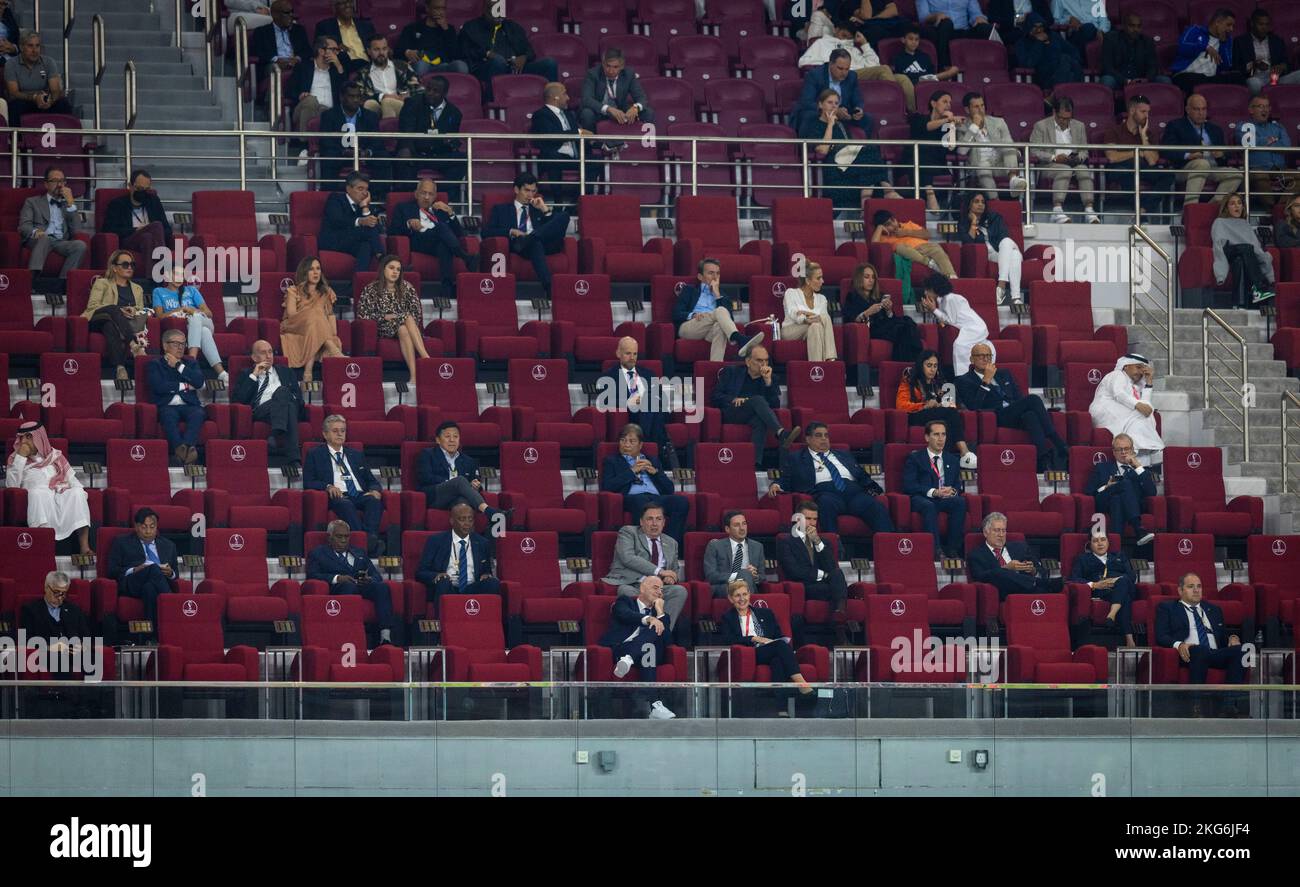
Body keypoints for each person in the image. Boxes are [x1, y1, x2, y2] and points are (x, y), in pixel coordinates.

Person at [957, 341, 1068, 471]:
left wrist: (1019, 408)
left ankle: (1041, 461)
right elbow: (974, 406)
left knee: (1030, 415)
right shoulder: (964, 380)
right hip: (996, 416)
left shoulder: (1004, 374)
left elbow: (1018, 397)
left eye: (988, 355)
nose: (985, 359)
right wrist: (985, 381)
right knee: (1033, 399)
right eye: (981, 356)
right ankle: (1059, 445)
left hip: (1014, 412)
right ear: (972, 359)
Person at [769, 421, 894, 534]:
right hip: (827, 494)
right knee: (825, 503)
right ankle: (833, 546)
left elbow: (861, 475)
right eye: (818, 435)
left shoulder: (843, 454)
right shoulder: (796, 458)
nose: (824, 439)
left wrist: (878, 491)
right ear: (808, 439)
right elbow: (786, 478)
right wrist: (777, 485)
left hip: (854, 494)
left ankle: (889, 547)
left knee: (876, 506)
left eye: (826, 435)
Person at [600, 506, 689, 643]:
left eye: (659, 519)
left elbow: (674, 569)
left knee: (679, 591)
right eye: (650, 519)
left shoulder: (671, 543)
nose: (654, 523)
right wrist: (660, 571)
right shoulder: (628, 532)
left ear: (664, 522)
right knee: (625, 591)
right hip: (631, 583)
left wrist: (671, 577)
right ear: (641, 522)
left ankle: (660, 634)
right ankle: (636, 634)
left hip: (658, 588)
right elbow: (628, 558)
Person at [799, 89, 897, 213]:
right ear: (820, 104)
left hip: (851, 164)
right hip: (833, 165)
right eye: (830, 102)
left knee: (870, 149)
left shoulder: (841, 125)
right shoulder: (814, 125)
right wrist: (830, 124)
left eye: (836, 103)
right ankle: (887, 189)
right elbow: (823, 150)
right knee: (868, 158)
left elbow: (850, 146)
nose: (833, 106)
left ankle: (867, 196)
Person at [720, 579, 819, 698]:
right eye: (737, 596)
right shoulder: (727, 617)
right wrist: (753, 638)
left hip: (770, 649)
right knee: (780, 646)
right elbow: (728, 639)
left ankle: (781, 710)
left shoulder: (765, 613)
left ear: (749, 594)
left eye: (745, 594)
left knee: (777, 661)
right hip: (750, 653)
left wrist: (775, 641)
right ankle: (802, 685)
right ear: (730, 599)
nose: (742, 599)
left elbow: (778, 635)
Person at [6, 421, 92, 555]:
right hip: (39, 497)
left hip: (59, 493)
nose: (25, 441)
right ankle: (43, 546)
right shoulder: (15, 459)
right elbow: (11, 487)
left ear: (39, 438)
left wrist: (80, 492)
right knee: (37, 493)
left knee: (77, 493)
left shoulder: (55, 456)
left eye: (29, 437)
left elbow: (73, 480)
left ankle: (84, 547)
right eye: (23, 437)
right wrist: (21, 457)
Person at [304, 415, 385, 555]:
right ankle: (366, 542)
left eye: (343, 430)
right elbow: (308, 482)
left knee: (374, 501)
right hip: (338, 495)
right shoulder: (315, 454)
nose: (340, 434)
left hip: (359, 494)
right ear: (325, 434)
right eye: (335, 431)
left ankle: (370, 539)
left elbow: (372, 480)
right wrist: (328, 486)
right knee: (345, 504)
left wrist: (375, 490)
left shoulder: (356, 454)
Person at [599, 575, 677, 719]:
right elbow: (624, 614)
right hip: (622, 648)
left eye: (661, 589)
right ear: (642, 588)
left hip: (642, 654)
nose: (660, 592)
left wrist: (660, 612)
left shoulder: (661, 616)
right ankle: (655, 706)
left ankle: (629, 659)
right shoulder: (625, 601)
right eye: (655, 587)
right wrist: (648, 619)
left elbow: (667, 641)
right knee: (649, 649)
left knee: (651, 643)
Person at [307, 519, 395, 644]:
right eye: (339, 537)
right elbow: (312, 575)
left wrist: (369, 579)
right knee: (349, 587)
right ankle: (351, 634)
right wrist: (337, 578)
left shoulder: (359, 552)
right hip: (339, 588)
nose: (344, 540)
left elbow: (376, 575)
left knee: (382, 588)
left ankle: (385, 637)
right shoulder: (318, 553)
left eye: (346, 536)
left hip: (361, 585)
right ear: (329, 537)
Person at [481, 172, 570, 295]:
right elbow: (486, 232)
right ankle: (550, 288)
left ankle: (531, 237)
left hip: (544, 243)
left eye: (533, 191)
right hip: (521, 245)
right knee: (535, 244)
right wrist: (511, 231)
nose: (530, 195)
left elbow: (553, 229)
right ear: (516, 189)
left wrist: (545, 210)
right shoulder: (500, 209)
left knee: (564, 216)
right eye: (527, 190)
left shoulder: (537, 209)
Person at [1155, 572, 1248, 689]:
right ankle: (1196, 704)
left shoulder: (1214, 610)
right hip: (1189, 654)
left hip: (1214, 653)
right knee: (1200, 650)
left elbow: (1222, 636)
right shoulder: (1167, 608)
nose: (1196, 590)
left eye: (1199, 586)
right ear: (1180, 590)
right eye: (1190, 587)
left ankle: (1230, 702)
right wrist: (1179, 645)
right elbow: (1161, 635)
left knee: (1246, 649)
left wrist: (1232, 638)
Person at [600, 422, 688, 545]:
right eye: (623, 440)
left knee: (681, 502)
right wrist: (632, 471)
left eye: (631, 441)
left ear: (640, 445)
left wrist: (655, 473)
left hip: (656, 498)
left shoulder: (652, 460)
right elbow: (607, 486)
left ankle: (668, 545)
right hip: (632, 498)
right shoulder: (612, 461)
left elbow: (669, 489)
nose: (626, 445)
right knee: (641, 501)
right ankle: (646, 546)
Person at [712, 346, 801, 467]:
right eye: (759, 360)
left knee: (760, 421)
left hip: (754, 415)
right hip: (733, 412)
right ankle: (781, 433)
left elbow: (775, 405)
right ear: (748, 362)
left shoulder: (771, 379)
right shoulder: (732, 372)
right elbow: (716, 396)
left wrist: (768, 382)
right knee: (758, 399)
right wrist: (733, 399)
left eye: (766, 360)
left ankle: (754, 464)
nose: (763, 364)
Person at [799, 19, 916, 111]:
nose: (844, 39)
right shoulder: (822, 43)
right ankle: (895, 106)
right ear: (835, 30)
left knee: (903, 79)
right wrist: (829, 66)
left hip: (861, 73)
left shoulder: (853, 48)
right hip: (845, 73)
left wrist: (864, 44)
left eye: (849, 37)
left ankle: (911, 111)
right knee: (884, 69)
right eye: (843, 34)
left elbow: (874, 64)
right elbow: (803, 61)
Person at [598, 336, 676, 468]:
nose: (632, 357)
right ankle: (659, 452)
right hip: (630, 414)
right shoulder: (608, 376)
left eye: (635, 354)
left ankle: (643, 441)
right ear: (618, 353)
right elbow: (605, 400)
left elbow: (661, 397)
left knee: (652, 402)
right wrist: (630, 401)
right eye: (628, 353)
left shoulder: (649, 374)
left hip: (653, 411)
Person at [459, 0, 557, 102]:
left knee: (549, 63)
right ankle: (495, 105)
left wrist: (524, 58)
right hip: (487, 67)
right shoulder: (471, 27)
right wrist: (487, 53)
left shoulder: (512, 26)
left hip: (516, 67)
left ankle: (554, 105)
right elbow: (464, 52)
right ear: (485, 10)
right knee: (498, 61)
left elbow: (530, 51)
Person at [777, 499, 852, 632]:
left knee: (837, 574)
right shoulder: (786, 542)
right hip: (803, 586)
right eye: (808, 518)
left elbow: (831, 567)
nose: (812, 523)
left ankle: (839, 614)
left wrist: (817, 542)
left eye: (815, 519)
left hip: (823, 585)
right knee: (839, 589)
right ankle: (840, 620)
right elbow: (794, 571)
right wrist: (823, 575)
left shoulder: (824, 542)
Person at [355, 253, 430, 382]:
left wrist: (397, 317)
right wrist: (384, 317)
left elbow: (416, 314)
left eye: (398, 269)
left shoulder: (407, 288)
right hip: (382, 327)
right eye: (391, 268)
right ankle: (426, 359)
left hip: (406, 326)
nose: (395, 272)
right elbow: (363, 315)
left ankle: (413, 376)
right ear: (383, 268)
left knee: (403, 329)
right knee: (406, 317)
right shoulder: (371, 289)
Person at [895, 349, 977, 466]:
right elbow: (901, 405)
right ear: (921, 365)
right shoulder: (910, 381)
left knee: (948, 419)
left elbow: (951, 403)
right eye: (929, 365)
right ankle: (964, 452)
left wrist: (943, 403)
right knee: (950, 413)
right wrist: (924, 405)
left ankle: (945, 460)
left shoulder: (938, 383)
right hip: (916, 415)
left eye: (935, 366)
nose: (932, 369)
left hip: (935, 416)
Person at [673, 257, 764, 362]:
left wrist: (717, 294)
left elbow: (729, 320)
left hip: (710, 328)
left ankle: (715, 368)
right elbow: (676, 313)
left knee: (720, 328)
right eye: (711, 273)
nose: (715, 277)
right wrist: (693, 315)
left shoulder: (723, 296)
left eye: (717, 273)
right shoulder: (689, 290)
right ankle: (739, 338)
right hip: (690, 326)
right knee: (720, 311)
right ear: (700, 276)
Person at [230, 339, 303, 468]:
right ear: (254, 357)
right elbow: (238, 400)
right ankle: (294, 459)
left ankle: (276, 434)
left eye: (270, 352)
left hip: (285, 406)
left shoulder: (287, 372)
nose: (269, 356)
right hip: (261, 409)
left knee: (287, 400)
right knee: (285, 398)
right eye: (264, 353)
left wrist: (285, 396)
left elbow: (299, 399)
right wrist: (254, 375)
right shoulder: (246, 374)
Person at [901, 419, 969, 557]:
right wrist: (934, 492)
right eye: (936, 434)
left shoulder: (952, 460)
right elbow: (909, 485)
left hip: (944, 498)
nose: (940, 439)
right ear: (927, 437)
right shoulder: (915, 458)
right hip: (923, 497)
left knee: (960, 502)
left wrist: (953, 491)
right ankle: (936, 550)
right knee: (929, 506)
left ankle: (952, 549)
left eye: (943, 435)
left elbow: (957, 485)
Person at [415, 420, 505, 522]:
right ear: (438, 440)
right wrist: (451, 482)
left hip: (458, 497)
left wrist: (476, 485)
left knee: (463, 505)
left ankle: (468, 536)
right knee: (460, 480)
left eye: (455, 436)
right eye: (447, 436)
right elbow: (425, 477)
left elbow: (475, 486)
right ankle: (489, 511)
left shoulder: (468, 461)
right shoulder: (428, 454)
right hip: (435, 496)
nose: (452, 440)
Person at [1162, 93, 1242, 207]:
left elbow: (1226, 156)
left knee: (1236, 174)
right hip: (1184, 168)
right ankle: (1190, 209)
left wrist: (1221, 155)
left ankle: (1211, 208)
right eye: (1196, 109)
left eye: (1204, 109)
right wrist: (1187, 155)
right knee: (1201, 164)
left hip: (1212, 167)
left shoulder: (1215, 129)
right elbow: (1166, 150)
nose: (1201, 113)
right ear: (1187, 109)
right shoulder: (1175, 125)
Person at [152, 266, 228, 384]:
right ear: (167, 276)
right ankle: (221, 373)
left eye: (181, 275)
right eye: (175, 274)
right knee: (204, 333)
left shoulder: (191, 290)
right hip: (190, 328)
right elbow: (159, 316)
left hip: (205, 321)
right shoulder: (158, 292)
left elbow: (209, 313)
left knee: (196, 317)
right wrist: (181, 309)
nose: (179, 278)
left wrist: (192, 311)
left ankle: (191, 360)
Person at [415, 501, 501, 605]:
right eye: (462, 519)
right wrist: (437, 575)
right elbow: (421, 572)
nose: (467, 524)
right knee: (444, 582)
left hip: (472, 588)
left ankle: (488, 621)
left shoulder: (482, 543)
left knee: (493, 583)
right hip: (447, 586)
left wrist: (486, 575)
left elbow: (486, 572)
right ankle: (442, 619)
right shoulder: (436, 541)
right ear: (452, 521)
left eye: (470, 519)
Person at [1029, 97, 1099, 225]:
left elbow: (1085, 151)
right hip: (1049, 165)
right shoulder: (1041, 126)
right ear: (1054, 113)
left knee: (1084, 170)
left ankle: (1089, 210)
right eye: (1062, 118)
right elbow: (1033, 151)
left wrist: (1078, 157)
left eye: (1068, 118)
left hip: (1073, 163)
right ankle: (1057, 210)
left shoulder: (1079, 126)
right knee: (1064, 169)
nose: (1065, 121)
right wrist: (1053, 158)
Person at [1103, 94, 1175, 218]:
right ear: (1132, 111)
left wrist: (1143, 137)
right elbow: (1112, 157)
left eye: (1148, 112)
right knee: (1126, 173)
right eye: (1143, 111)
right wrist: (1137, 152)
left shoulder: (1149, 134)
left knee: (1168, 175)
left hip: (1143, 168)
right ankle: (1141, 214)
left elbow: (1152, 161)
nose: (1146, 115)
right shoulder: (1114, 131)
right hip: (1121, 169)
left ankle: (1142, 210)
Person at [395, 75, 466, 200]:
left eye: (435, 91)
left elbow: (454, 137)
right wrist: (406, 148)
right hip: (416, 153)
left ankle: (443, 198)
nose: (430, 93)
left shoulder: (454, 113)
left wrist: (451, 143)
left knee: (462, 160)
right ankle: (407, 201)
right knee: (402, 157)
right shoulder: (413, 103)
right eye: (428, 89)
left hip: (439, 155)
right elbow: (406, 130)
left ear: (444, 93)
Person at [529, 81, 601, 203]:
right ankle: (558, 202)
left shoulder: (569, 115)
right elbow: (551, 136)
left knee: (595, 160)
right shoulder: (541, 115)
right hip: (554, 157)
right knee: (553, 157)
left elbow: (577, 136)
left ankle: (577, 202)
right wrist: (579, 133)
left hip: (574, 157)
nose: (568, 98)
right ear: (555, 97)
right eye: (565, 94)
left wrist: (595, 141)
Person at [82, 250, 148, 382]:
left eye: (132, 265)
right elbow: (92, 306)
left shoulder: (137, 289)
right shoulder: (102, 283)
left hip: (120, 324)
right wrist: (117, 310)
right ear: (114, 268)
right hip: (98, 318)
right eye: (125, 264)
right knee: (113, 310)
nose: (129, 267)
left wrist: (133, 310)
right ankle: (133, 345)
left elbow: (140, 309)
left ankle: (120, 367)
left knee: (110, 327)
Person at [106, 508, 179, 623]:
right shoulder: (121, 542)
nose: (148, 531)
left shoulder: (169, 545)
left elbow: (176, 574)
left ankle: (151, 638)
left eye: (152, 527)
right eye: (144, 527)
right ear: (136, 526)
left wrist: (171, 573)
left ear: (157, 527)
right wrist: (135, 569)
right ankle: (172, 604)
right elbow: (112, 571)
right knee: (154, 568)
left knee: (149, 589)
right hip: (132, 583)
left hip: (155, 584)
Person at [280, 256, 344, 384]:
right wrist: (310, 313)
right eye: (311, 269)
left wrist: (332, 335)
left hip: (316, 329)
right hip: (294, 325)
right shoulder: (293, 290)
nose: (316, 272)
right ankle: (332, 350)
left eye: (318, 269)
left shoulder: (326, 292)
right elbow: (292, 315)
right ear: (304, 272)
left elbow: (330, 317)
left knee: (316, 322)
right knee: (316, 312)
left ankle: (308, 369)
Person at [1089, 353, 1164, 462]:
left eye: (1143, 370)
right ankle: (1142, 450)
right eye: (1138, 367)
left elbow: (1146, 406)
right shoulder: (1117, 375)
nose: (1140, 372)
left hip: (1121, 411)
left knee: (1145, 414)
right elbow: (1118, 393)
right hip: (1104, 409)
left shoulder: (1134, 386)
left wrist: (1149, 382)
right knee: (1138, 416)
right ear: (1126, 366)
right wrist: (1137, 405)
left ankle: (1140, 455)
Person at [842, 262, 923, 363]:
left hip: (885, 326)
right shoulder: (852, 297)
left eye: (873, 277)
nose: (871, 280)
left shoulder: (880, 296)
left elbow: (890, 318)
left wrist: (889, 310)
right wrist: (867, 312)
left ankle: (909, 362)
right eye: (867, 277)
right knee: (903, 328)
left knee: (907, 322)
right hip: (870, 329)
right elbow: (850, 318)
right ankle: (917, 360)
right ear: (859, 279)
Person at [1085, 433, 1156, 546]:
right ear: (1113, 452)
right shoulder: (1102, 467)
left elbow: (1152, 492)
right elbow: (1089, 492)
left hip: (1126, 505)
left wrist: (1137, 465)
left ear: (1132, 450)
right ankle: (1138, 529)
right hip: (1104, 502)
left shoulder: (1140, 471)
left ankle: (1116, 548)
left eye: (1126, 449)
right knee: (1125, 484)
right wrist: (1106, 487)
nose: (1123, 452)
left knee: (1117, 500)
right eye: (1119, 449)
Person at [149, 329, 208, 466]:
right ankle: (185, 452)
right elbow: (159, 386)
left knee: (199, 413)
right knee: (168, 416)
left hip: (190, 405)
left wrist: (178, 365)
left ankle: (184, 448)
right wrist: (186, 386)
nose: (181, 347)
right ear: (165, 345)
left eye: (183, 344)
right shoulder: (155, 364)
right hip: (166, 405)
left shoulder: (190, 363)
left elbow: (199, 382)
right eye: (176, 344)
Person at [1068, 532, 1137, 647]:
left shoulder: (1119, 556)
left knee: (1123, 582)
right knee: (1126, 597)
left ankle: (1112, 614)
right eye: (1096, 541)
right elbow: (1074, 578)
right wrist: (1094, 585)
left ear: (1108, 542)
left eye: (1103, 540)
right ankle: (1129, 638)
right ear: (1090, 544)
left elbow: (1132, 576)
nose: (1100, 543)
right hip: (1103, 591)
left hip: (1123, 586)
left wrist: (1116, 580)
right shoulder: (1082, 559)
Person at [967, 512, 1056, 598]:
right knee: (999, 573)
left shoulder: (1020, 548)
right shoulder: (976, 555)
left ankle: (1036, 584)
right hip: (1005, 592)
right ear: (985, 533)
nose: (1001, 535)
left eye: (1003, 530)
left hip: (1029, 592)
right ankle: (1037, 583)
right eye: (997, 530)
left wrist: (1033, 571)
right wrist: (1006, 568)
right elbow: (980, 577)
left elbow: (1042, 572)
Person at [957, 190, 1024, 306]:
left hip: (1003, 249)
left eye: (983, 202)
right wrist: (973, 223)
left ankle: (1001, 285)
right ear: (969, 204)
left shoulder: (994, 218)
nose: (980, 204)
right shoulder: (964, 222)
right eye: (976, 202)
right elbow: (968, 242)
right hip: (993, 256)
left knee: (1007, 242)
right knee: (1015, 256)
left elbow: (1004, 237)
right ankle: (1016, 298)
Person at [318, 82, 387, 194]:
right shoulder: (329, 115)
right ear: (342, 97)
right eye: (351, 96)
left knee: (383, 157)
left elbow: (376, 141)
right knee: (329, 157)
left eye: (358, 97)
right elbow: (326, 142)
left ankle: (378, 198)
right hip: (339, 155)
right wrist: (344, 152)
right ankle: (330, 197)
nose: (355, 100)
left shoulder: (370, 116)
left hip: (363, 155)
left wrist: (367, 152)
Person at [18, 167, 86, 279]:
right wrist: (37, 232)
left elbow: (77, 231)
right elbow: (24, 226)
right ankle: (32, 280)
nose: (59, 185)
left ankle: (63, 283)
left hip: (60, 242)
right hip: (39, 239)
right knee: (45, 238)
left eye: (62, 181)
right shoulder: (32, 202)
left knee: (80, 245)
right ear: (46, 184)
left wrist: (71, 204)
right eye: (55, 181)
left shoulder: (67, 206)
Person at [957, 92, 1027, 200]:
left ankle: (1013, 179)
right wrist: (974, 126)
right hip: (979, 165)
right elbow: (962, 151)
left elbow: (1009, 142)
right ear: (967, 110)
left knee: (1009, 148)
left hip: (1001, 164)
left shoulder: (999, 122)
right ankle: (996, 203)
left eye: (982, 105)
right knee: (983, 167)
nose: (981, 109)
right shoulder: (962, 126)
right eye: (976, 107)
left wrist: (1014, 152)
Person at [1212, 192, 1275, 306]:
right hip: (1229, 251)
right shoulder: (1220, 222)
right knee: (1246, 248)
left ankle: (1239, 303)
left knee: (1240, 260)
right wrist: (1221, 272)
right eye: (1232, 204)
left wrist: (1264, 258)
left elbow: (1255, 246)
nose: (1237, 206)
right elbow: (1218, 246)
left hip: (1245, 254)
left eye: (1239, 203)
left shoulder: (1245, 224)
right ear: (1226, 207)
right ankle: (1260, 288)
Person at [918, 273, 988, 373]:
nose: (925, 293)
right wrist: (933, 310)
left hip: (974, 328)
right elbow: (943, 321)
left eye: (928, 290)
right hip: (966, 328)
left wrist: (934, 309)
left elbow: (950, 320)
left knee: (959, 345)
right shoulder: (942, 299)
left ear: (935, 289)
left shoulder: (950, 298)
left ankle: (963, 376)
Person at [103, 170, 173, 268]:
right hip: (129, 239)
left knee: (148, 237)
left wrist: (155, 234)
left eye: (146, 189)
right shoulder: (118, 204)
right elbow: (108, 229)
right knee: (156, 225)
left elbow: (167, 229)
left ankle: (152, 280)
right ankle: (164, 262)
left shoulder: (153, 201)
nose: (143, 192)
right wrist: (136, 230)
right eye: (139, 188)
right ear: (130, 186)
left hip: (150, 240)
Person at [1237, 96, 1296, 209]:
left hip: (1280, 169)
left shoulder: (1278, 127)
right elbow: (1249, 143)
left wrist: (1264, 143)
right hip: (1256, 169)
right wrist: (1267, 140)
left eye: (1267, 106)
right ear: (1251, 110)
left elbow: (1286, 146)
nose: (1265, 110)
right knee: (1261, 176)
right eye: (1260, 106)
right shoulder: (1244, 126)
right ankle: (1271, 208)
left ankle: (1280, 208)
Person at [318, 172, 383, 273]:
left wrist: (365, 207)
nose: (364, 193)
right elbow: (336, 221)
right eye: (360, 189)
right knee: (367, 233)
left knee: (366, 246)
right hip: (334, 240)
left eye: (366, 189)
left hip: (352, 242)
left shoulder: (363, 205)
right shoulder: (336, 199)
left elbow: (377, 229)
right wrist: (360, 221)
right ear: (348, 189)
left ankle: (358, 281)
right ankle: (384, 260)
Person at [908, 88, 962, 211]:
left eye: (949, 102)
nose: (948, 105)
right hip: (915, 161)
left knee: (928, 157)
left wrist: (952, 126)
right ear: (933, 104)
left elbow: (951, 146)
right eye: (945, 101)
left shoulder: (947, 124)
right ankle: (930, 192)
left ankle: (929, 193)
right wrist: (948, 119)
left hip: (937, 163)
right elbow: (927, 127)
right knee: (921, 153)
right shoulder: (918, 118)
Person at [3, 30, 72, 125]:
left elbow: (55, 90)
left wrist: (50, 101)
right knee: (15, 106)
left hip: (45, 100)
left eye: (37, 46)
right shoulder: (11, 64)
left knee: (63, 104)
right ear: (22, 47)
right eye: (30, 46)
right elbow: (13, 93)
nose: (34, 50)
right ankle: (17, 139)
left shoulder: (49, 62)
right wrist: (34, 97)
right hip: (24, 101)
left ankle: (66, 138)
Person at [790, 48, 864, 134]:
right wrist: (832, 111)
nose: (844, 73)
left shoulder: (852, 76)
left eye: (847, 69)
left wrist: (858, 109)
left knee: (867, 119)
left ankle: (864, 147)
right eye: (840, 68)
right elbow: (807, 102)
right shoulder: (815, 75)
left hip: (843, 114)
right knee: (808, 116)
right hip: (820, 112)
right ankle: (814, 147)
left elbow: (857, 99)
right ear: (831, 64)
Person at [579, 47, 655, 131]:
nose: (611, 71)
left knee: (648, 113)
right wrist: (608, 109)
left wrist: (635, 108)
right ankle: (592, 143)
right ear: (603, 64)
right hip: (599, 111)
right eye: (608, 66)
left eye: (615, 67)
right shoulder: (593, 74)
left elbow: (642, 98)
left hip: (620, 110)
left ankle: (644, 143)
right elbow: (587, 99)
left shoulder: (628, 74)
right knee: (587, 114)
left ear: (622, 66)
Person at [1171, 9, 1244, 95]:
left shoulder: (1227, 39)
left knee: (1238, 77)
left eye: (1232, 26)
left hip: (1210, 78)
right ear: (1217, 22)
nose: (1231, 29)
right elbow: (1182, 48)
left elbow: (1226, 66)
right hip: (1186, 75)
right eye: (1228, 25)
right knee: (1197, 80)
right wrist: (1205, 47)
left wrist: (1223, 44)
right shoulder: (1195, 30)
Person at [289, 35, 345, 141]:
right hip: (305, 108)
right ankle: (305, 144)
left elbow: (345, 91)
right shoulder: (303, 67)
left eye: (338, 50)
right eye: (333, 50)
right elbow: (289, 90)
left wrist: (339, 66)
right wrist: (301, 95)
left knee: (330, 113)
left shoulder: (336, 71)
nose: (337, 53)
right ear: (321, 51)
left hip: (328, 111)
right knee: (311, 100)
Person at [871, 210, 957, 279]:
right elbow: (874, 246)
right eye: (888, 225)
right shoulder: (883, 237)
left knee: (936, 247)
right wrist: (879, 228)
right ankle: (930, 263)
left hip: (925, 247)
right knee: (899, 247)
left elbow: (927, 234)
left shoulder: (908, 225)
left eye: (893, 220)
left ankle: (952, 278)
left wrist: (907, 232)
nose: (893, 225)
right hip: (908, 252)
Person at [1233, 9, 1300, 96]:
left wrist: (1281, 67)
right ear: (1252, 24)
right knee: (1254, 83)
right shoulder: (1240, 41)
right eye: (1260, 24)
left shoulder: (1277, 41)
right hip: (1255, 78)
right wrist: (1255, 65)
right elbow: (1236, 68)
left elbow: (1287, 63)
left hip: (1275, 79)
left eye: (1267, 24)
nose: (1264, 27)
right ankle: (1261, 106)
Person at [782, 262, 839, 361]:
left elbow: (822, 320)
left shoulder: (822, 299)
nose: (822, 281)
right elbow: (794, 314)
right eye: (818, 278)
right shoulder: (791, 293)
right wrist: (806, 319)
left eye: (822, 278)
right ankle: (830, 358)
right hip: (791, 330)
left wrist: (806, 313)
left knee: (816, 326)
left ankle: (816, 367)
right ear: (808, 281)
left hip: (812, 327)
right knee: (822, 319)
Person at [396, 0, 469, 76]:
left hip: (443, 66)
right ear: (427, 8)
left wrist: (446, 30)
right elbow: (398, 51)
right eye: (436, 8)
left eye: (443, 8)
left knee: (461, 66)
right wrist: (407, 52)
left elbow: (456, 55)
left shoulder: (449, 30)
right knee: (421, 65)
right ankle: (419, 87)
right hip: (421, 65)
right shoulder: (413, 28)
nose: (440, 12)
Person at [1100, 12, 1168, 91]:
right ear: (1124, 26)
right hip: (1118, 80)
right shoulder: (1111, 39)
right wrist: (1126, 81)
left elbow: (1153, 66)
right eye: (1132, 26)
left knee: (1165, 80)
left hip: (1141, 80)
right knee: (1107, 80)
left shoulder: (1147, 41)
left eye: (1138, 26)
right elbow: (1107, 67)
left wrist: (1146, 79)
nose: (1136, 29)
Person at [1015, 13, 1084, 91]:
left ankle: (1065, 93)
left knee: (1067, 61)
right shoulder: (1021, 43)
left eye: (1041, 26)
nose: (1039, 30)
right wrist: (1039, 43)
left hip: (1063, 70)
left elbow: (1072, 50)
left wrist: (1074, 61)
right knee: (1064, 60)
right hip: (1041, 76)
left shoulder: (1053, 36)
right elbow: (1028, 64)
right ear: (1029, 27)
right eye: (1035, 27)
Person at [703, 510, 764, 597]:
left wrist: (754, 576)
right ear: (727, 529)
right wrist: (738, 575)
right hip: (725, 587)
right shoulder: (715, 546)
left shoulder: (757, 547)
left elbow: (762, 577)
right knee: (745, 574)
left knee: (747, 576)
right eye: (737, 525)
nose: (742, 528)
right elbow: (711, 576)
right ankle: (750, 608)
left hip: (749, 585)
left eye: (744, 524)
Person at [21, 571, 91, 646]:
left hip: (74, 655)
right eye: (56, 592)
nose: (60, 597)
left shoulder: (74, 610)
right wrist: (49, 648)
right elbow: (26, 641)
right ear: (46, 588)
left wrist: (82, 647)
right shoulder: (30, 610)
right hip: (46, 655)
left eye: (63, 593)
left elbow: (86, 639)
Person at [916, 0, 992, 69]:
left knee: (985, 28)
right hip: (940, 31)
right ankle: (943, 68)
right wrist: (936, 16)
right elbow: (923, 17)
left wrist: (979, 18)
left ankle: (984, 71)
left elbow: (975, 13)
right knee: (946, 23)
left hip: (963, 30)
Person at [357, 34, 417, 119]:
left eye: (384, 49)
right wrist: (382, 96)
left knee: (387, 102)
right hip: (378, 107)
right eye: (376, 49)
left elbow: (419, 89)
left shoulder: (402, 66)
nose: (381, 53)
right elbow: (360, 96)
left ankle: (388, 130)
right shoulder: (363, 72)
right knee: (369, 104)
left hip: (403, 106)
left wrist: (406, 96)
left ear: (388, 49)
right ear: (369, 51)